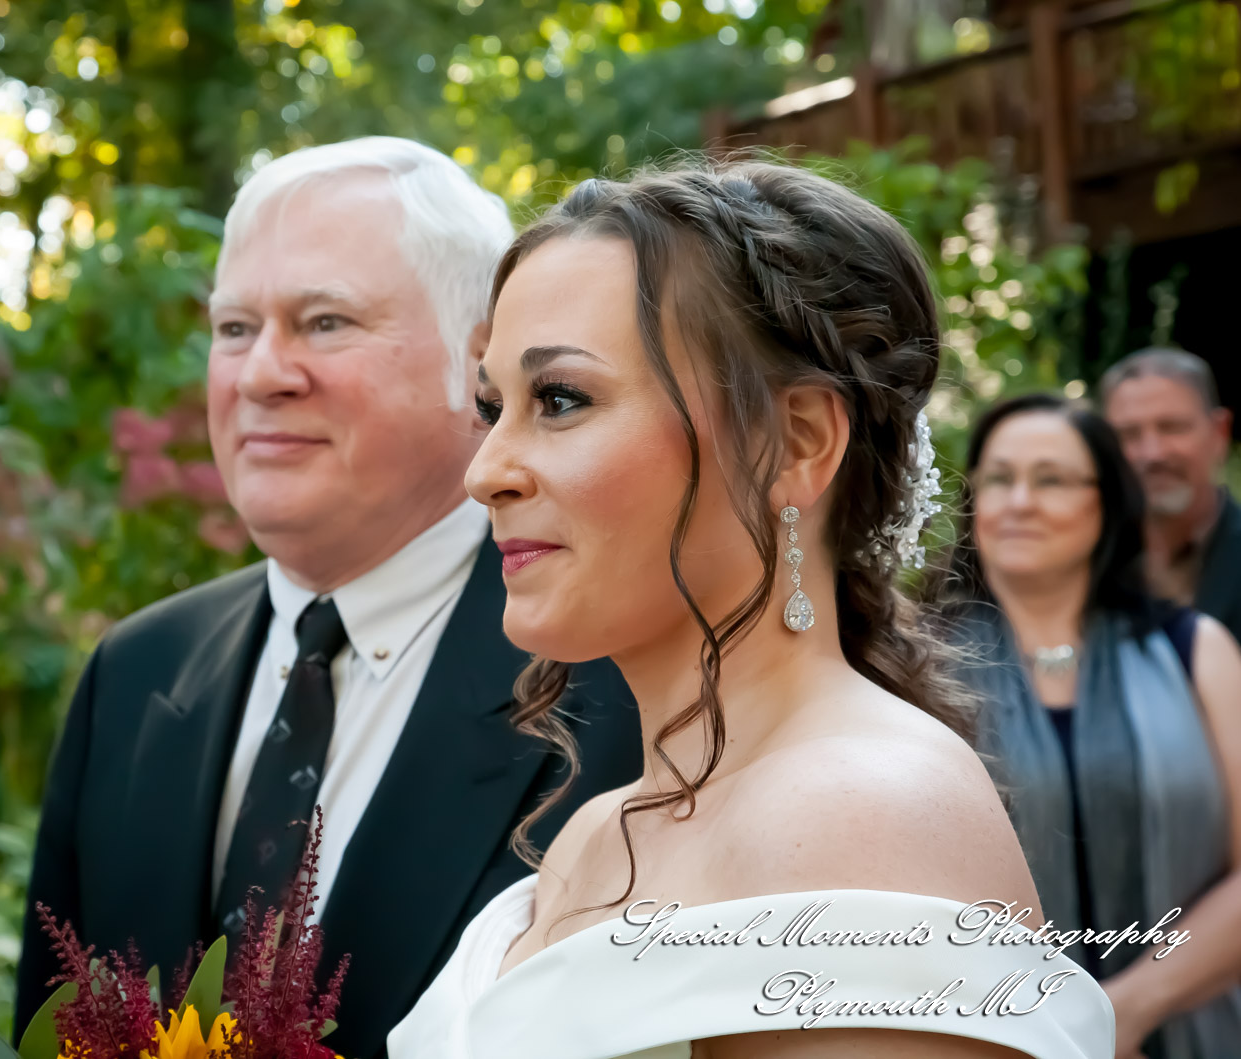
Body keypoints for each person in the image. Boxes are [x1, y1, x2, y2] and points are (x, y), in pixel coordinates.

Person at [389, 163, 1113, 1059]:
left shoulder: (860, 809)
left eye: (561, 399)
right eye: (493, 407)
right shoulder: (589, 834)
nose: (485, 471)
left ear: (798, 442)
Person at [12, 137, 642, 1059]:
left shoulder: (619, 692)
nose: (262, 373)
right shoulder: (134, 673)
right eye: (234, 328)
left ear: (479, 365)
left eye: (324, 322)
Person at [947, 392, 1241, 1058]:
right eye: (998, 478)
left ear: (1105, 500)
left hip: (1189, 1033)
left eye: (1050, 479)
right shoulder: (915, 664)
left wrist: (1123, 1011)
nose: (1019, 500)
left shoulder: (1196, 652)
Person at [1101, 348, 1241, 644]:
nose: (1153, 454)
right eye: (1129, 434)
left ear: (1220, 432)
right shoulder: (1088, 562)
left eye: (1172, 428)